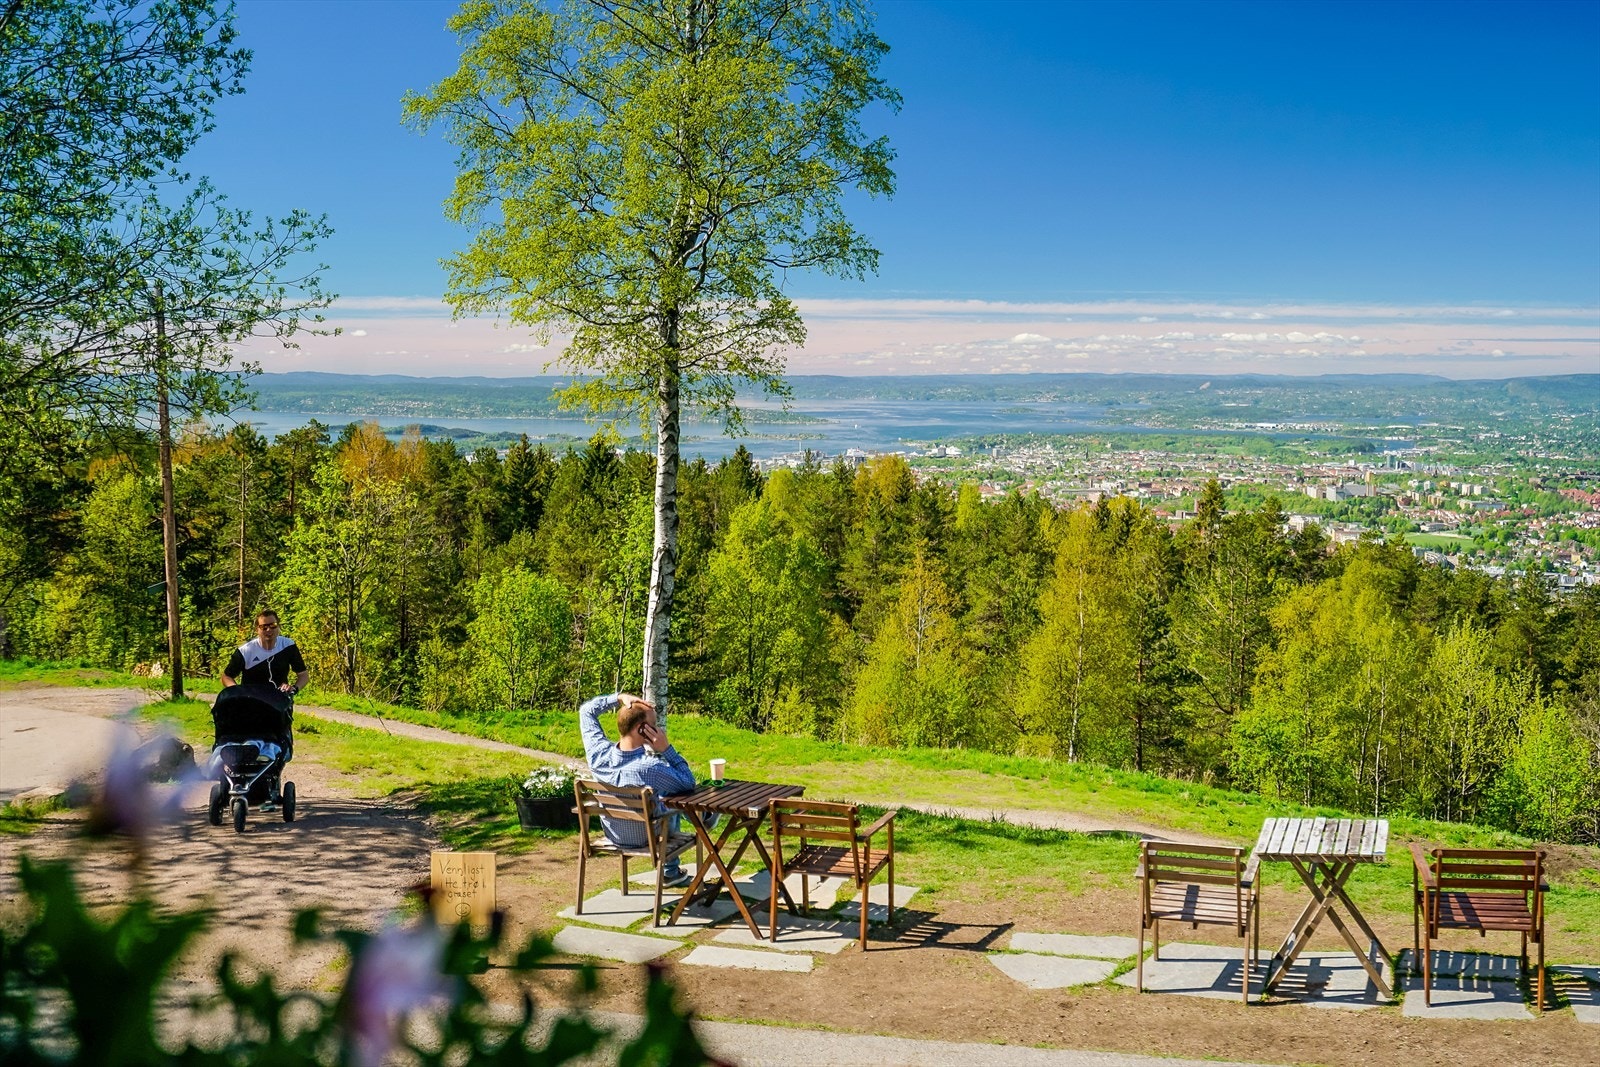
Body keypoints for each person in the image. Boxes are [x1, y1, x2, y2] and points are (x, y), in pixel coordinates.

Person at [579, 691, 699, 887]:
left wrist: (618, 698)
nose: (658, 729)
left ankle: (672, 871)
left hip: (614, 834)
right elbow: (688, 782)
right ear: (641, 729)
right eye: (653, 725)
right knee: (669, 792)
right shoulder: (649, 768)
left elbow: (586, 711)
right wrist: (666, 749)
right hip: (648, 837)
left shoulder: (597, 755)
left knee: (660, 790)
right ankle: (671, 869)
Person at [222, 609, 309, 694]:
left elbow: (303, 675)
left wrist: (294, 688)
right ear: (257, 630)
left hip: (279, 700)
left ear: (279, 627)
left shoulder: (288, 645)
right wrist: (237, 691)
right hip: (251, 700)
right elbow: (226, 677)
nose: (268, 630)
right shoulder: (246, 651)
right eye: (264, 627)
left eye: (273, 625)